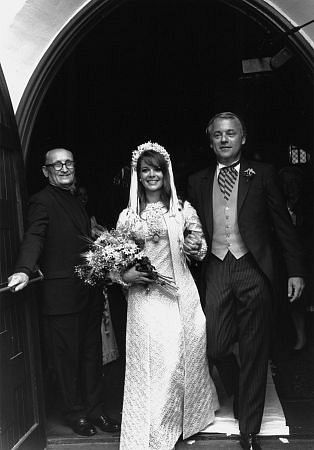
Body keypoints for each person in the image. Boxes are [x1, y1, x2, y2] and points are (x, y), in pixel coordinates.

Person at [187, 112, 305, 450]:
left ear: (243, 138)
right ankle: (243, 389)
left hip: (254, 269)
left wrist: (296, 270)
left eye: (231, 133)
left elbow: (282, 225)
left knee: (254, 350)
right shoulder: (197, 180)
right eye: (218, 135)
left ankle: (248, 429)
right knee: (216, 345)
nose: (224, 139)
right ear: (210, 140)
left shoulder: (263, 174)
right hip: (216, 268)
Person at [7, 147, 120, 436]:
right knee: (66, 361)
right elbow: (34, 236)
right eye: (56, 164)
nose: (64, 168)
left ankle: (97, 411)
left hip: (88, 293)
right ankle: (75, 413)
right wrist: (24, 269)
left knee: (92, 358)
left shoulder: (75, 200)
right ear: (46, 171)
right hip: (60, 298)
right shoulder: (41, 201)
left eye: (69, 162)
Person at [116, 141, 219, 450]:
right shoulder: (128, 217)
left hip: (180, 296)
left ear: (166, 173)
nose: (152, 175)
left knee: (177, 358)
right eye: (145, 170)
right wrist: (126, 276)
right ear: (138, 175)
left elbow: (200, 247)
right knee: (154, 362)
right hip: (145, 298)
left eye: (157, 169)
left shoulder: (181, 209)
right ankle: (155, 428)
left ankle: (177, 420)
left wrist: (194, 248)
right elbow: (114, 262)